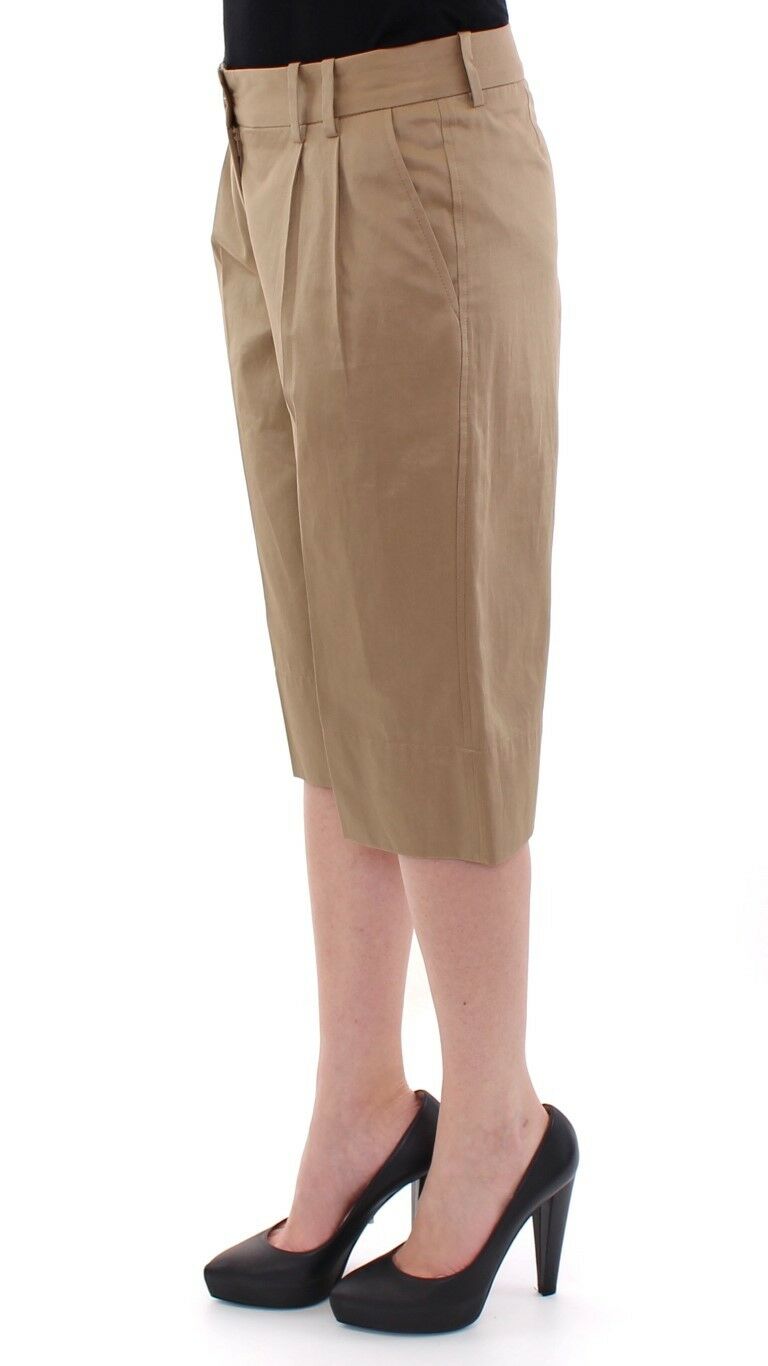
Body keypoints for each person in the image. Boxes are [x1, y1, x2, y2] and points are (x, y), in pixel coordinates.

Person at [204, 2, 578, 1334]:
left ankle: (496, 1116)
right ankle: (360, 1097)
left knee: (431, 682)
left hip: (410, 138)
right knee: (332, 684)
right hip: (265, 145)